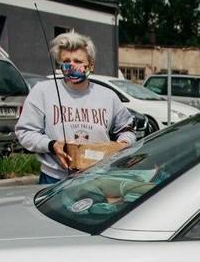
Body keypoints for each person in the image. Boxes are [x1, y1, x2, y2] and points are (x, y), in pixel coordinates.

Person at [16, 32, 136, 183]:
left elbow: (127, 130)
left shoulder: (108, 96)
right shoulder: (42, 91)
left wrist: (122, 145)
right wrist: (52, 145)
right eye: (66, 61)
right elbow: (25, 132)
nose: (71, 66)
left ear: (91, 65)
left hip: (97, 178)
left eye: (78, 61)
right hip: (54, 179)